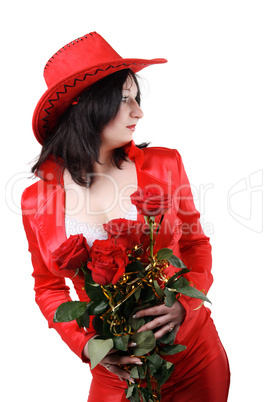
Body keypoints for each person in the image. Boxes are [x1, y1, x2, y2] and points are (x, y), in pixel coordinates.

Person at [21, 31, 230, 401]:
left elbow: (196, 245)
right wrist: (89, 347)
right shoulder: (35, 200)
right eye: (124, 99)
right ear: (84, 105)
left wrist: (186, 306)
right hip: (116, 374)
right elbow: (48, 288)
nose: (139, 111)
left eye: (138, 98)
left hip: (194, 358)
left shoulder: (166, 165)